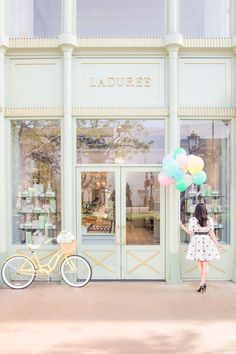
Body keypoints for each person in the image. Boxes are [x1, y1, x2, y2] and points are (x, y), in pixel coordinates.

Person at [179, 203, 223, 293]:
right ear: (204, 210)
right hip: (207, 241)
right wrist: (217, 244)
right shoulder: (209, 219)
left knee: (200, 263)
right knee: (205, 263)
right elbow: (211, 233)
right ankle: (203, 283)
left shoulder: (192, 220)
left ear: (196, 211)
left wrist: (181, 225)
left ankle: (202, 284)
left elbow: (190, 232)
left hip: (197, 241)